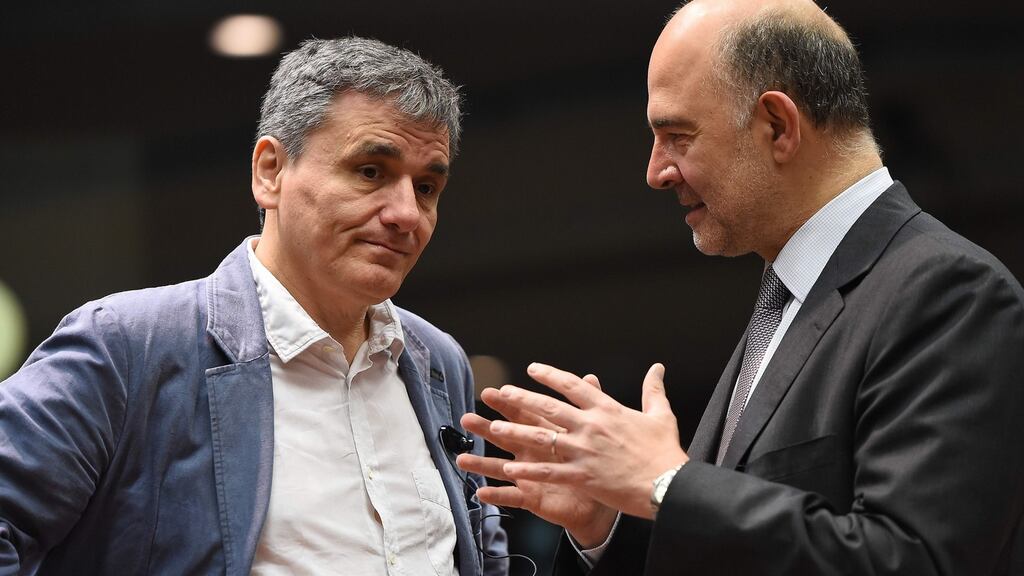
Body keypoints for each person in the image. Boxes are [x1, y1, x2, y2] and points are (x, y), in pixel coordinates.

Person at [456, 0, 1024, 574]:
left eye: (677, 135)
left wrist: (669, 484)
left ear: (778, 126)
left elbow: (915, 561)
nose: (656, 172)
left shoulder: (950, 293)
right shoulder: (788, 298)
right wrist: (613, 522)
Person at [0, 37, 508, 576]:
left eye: (427, 186)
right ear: (270, 171)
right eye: (370, 172)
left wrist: (594, 533)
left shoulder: (439, 362)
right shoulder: (126, 345)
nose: (407, 213)